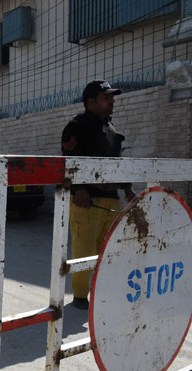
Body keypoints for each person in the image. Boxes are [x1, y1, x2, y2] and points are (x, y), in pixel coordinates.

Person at [61, 80, 134, 310]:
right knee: (84, 249)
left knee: (108, 249)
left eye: (112, 98)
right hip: (87, 201)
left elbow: (116, 164)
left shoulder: (111, 129)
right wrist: (78, 189)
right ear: (90, 102)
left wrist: (127, 188)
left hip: (111, 199)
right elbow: (70, 161)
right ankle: (81, 297)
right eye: (106, 98)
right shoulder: (76, 126)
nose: (111, 102)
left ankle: (104, 292)